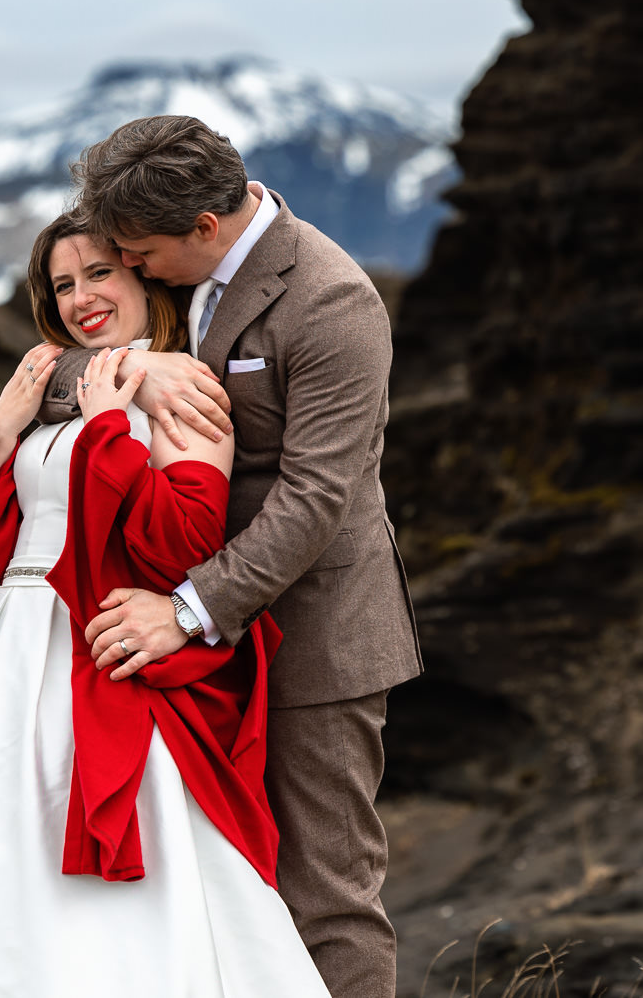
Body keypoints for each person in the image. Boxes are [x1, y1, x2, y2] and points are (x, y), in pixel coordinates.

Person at [0, 214, 329, 997]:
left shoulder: (182, 390)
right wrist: (2, 431)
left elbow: (186, 544)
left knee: (86, 878)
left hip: (93, 647)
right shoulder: (54, 383)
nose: (82, 296)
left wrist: (114, 428)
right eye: (63, 284)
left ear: (144, 277)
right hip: (1, 650)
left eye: (100, 274)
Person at [36, 115, 421, 998]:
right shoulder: (177, 276)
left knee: (324, 892)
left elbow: (316, 499)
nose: (126, 268)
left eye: (136, 253)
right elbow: (61, 363)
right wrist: (142, 372)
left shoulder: (331, 302)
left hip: (313, 636)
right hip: (202, 649)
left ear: (203, 228)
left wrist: (182, 611)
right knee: (221, 881)